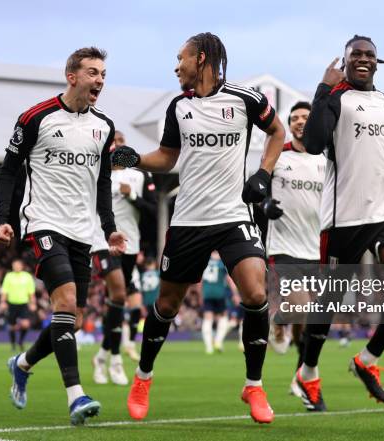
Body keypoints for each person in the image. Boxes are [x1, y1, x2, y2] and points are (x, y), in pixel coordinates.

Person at [112, 32, 285, 424]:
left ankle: (254, 385)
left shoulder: (246, 99)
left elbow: (278, 133)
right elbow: (167, 157)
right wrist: (134, 158)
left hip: (233, 216)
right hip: (189, 219)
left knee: (257, 293)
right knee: (167, 305)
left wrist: (263, 173)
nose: (176, 66)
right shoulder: (179, 107)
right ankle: (143, 377)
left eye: (181, 59)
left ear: (201, 59)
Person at [0, 47, 126, 425]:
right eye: (92, 72)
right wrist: (4, 218)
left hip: (83, 231)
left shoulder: (103, 126)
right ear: (72, 77)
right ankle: (76, 396)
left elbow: (103, 182)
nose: (100, 79)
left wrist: (110, 227)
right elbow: (8, 170)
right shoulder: (35, 117)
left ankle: (21, 364)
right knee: (65, 302)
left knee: (73, 317)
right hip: (44, 222)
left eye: (103, 73)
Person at [299, 35, 384, 408]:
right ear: (345, 60)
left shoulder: (382, 101)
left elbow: (370, 150)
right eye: (356, 54)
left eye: (369, 55)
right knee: (330, 302)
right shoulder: (336, 97)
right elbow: (314, 142)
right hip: (346, 216)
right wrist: (323, 87)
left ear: (377, 62)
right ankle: (307, 372)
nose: (363, 59)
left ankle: (367, 360)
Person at [260, 101, 326, 409]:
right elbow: (254, 189)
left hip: (316, 250)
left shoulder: (326, 160)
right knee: (309, 311)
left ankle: (299, 375)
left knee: (307, 326)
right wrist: (264, 206)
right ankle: (279, 318)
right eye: (294, 118)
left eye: (305, 117)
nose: (299, 121)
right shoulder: (279, 153)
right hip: (283, 249)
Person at [91, 130, 157, 384]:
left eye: (120, 142)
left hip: (130, 245)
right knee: (118, 295)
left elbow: (153, 210)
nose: (116, 146)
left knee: (115, 303)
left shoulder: (140, 176)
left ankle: (101, 356)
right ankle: (116, 360)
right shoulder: (98, 175)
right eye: (112, 142)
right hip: (102, 243)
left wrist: (132, 195)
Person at [200, 251, 233, 354]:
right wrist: (235, 293)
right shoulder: (222, 263)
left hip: (207, 294)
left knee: (207, 318)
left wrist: (201, 294)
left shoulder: (204, 262)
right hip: (219, 293)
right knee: (223, 316)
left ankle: (208, 347)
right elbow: (229, 279)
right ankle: (218, 341)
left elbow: (199, 280)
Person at [0, 258, 37, 352]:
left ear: (22, 266)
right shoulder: (9, 276)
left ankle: (20, 341)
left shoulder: (27, 276)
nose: (16, 266)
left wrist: (33, 303)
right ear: (12, 266)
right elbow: (4, 291)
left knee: (25, 324)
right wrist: (3, 302)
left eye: (18, 265)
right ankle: (13, 344)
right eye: (14, 265)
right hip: (11, 304)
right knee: (11, 326)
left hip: (23, 304)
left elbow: (31, 293)